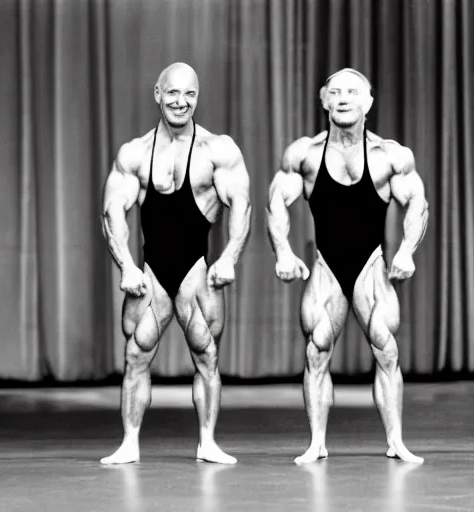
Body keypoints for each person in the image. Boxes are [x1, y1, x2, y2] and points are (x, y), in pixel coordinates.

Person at [267, 68, 428, 464]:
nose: (343, 98)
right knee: (317, 348)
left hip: (371, 264)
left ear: (368, 102)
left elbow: (417, 205)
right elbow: (275, 203)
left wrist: (407, 250)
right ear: (324, 101)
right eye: (335, 92)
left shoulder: (392, 155)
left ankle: (396, 441)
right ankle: (316, 442)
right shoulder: (303, 153)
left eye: (352, 92)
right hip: (326, 264)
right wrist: (284, 252)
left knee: (386, 349)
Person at [100, 62, 251, 465]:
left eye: (190, 94)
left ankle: (208, 442)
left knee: (207, 355)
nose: (181, 102)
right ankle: (129, 442)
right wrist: (128, 267)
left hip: (197, 269)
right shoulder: (134, 153)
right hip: (151, 270)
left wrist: (229, 258)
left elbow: (242, 205)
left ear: (197, 98)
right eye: (173, 93)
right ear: (157, 94)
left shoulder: (218, 150)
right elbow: (112, 211)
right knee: (136, 355)